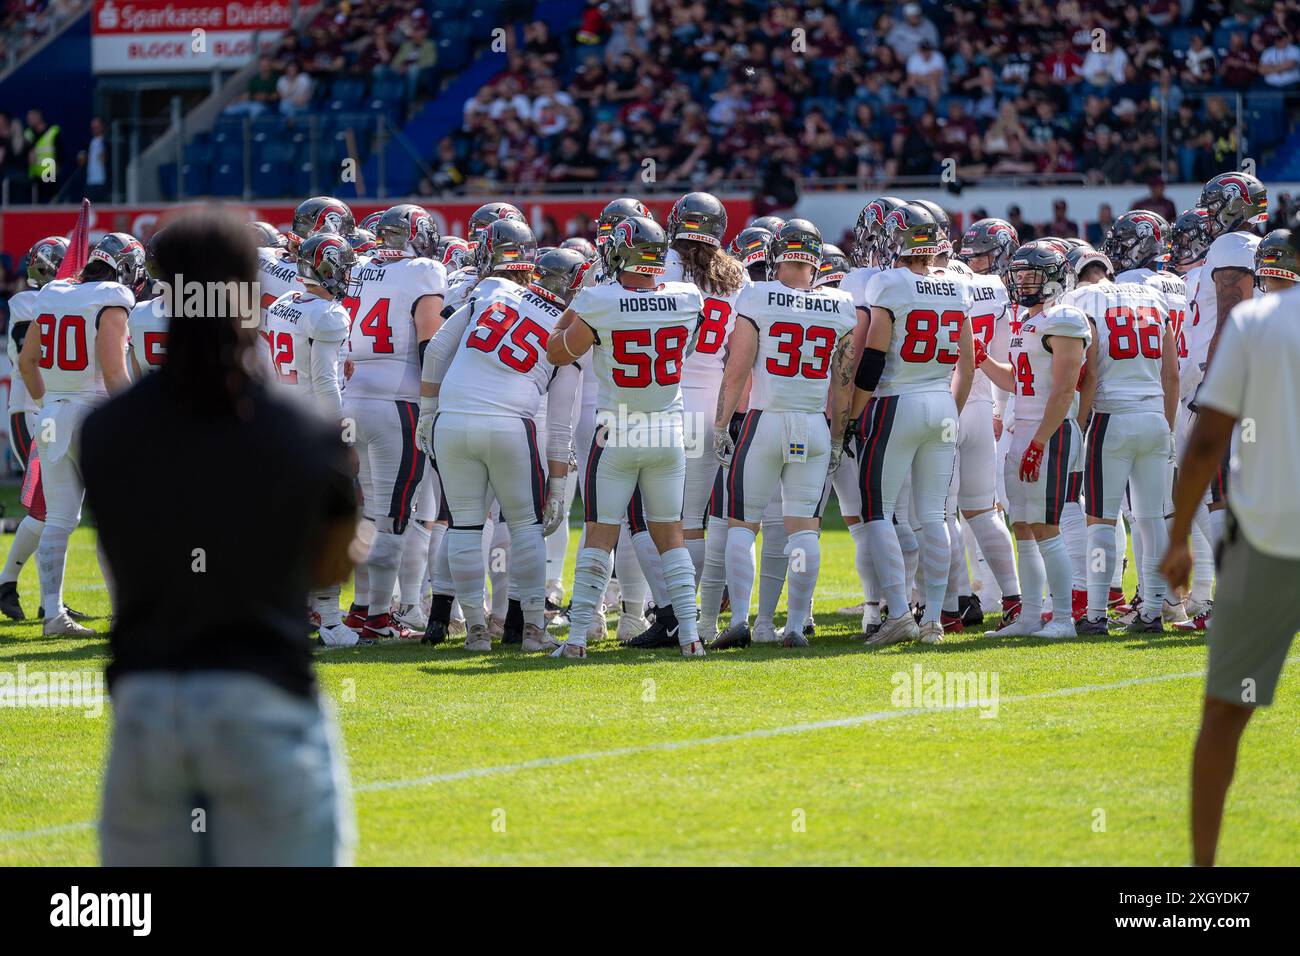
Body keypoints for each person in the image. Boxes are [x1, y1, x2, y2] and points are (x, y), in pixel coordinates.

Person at [85, 210, 358, 866]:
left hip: (147, 702)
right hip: (262, 694)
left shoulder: (108, 429)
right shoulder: (302, 429)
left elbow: (128, 558)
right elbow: (329, 572)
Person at [1160, 229, 1300, 867]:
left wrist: (1177, 536)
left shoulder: (1253, 322)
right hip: (1265, 534)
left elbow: (1209, 438)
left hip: (1268, 538)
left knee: (1225, 713)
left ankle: (1204, 877)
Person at [544, 216, 706, 658]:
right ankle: (690, 637)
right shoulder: (687, 297)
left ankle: (577, 639)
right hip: (668, 433)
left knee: (600, 533)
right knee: (670, 534)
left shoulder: (599, 300)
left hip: (617, 432)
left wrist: (579, 304)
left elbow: (556, 350)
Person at [19, 232, 142, 636]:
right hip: (94, 415)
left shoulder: (53, 293)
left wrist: (49, 401)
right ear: (124, 268)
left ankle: (53, 614)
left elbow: (27, 360)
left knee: (57, 519)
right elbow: (113, 370)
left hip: (53, 414)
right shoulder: (111, 300)